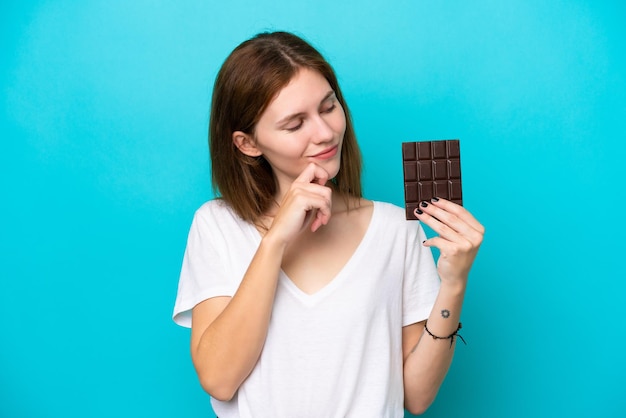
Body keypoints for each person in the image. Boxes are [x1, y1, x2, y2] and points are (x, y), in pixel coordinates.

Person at [173, 31, 484, 417]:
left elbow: (416, 397)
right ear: (247, 143)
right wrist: (275, 243)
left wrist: (453, 285)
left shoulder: (395, 229)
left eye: (328, 106)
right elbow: (219, 379)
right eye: (294, 124)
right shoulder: (217, 226)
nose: (325, 133)